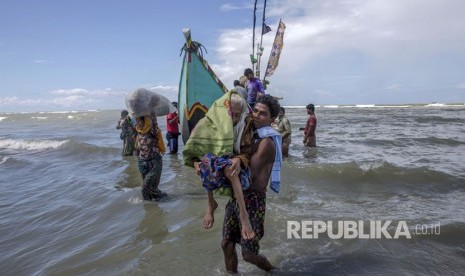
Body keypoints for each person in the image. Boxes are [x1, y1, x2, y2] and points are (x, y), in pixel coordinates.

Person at [222, 94, 282, 273]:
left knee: (248, 254)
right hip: (237, 196)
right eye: (254, 110)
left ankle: (272, 270)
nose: (256, 115)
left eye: (262, 113)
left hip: (253, 201)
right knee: (226, 244)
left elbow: (247, 176)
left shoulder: (266, 143)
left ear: (272, 119)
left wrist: (228, 164)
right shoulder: (247, 135)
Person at [183, 91, 256, 240]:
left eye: (237, 115)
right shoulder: (208, 122)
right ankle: (211, 204)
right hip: (215, 161)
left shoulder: (245, 123)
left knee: (230, 169)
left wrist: (239, 159)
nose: (234, 119)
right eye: (232, 114)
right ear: (224, 112)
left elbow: (248, 150)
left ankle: (244, 216)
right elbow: (195, 150)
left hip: (233, 165)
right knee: (205, 163)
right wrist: (196, 162)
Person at [134, 111, 166, 201]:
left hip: (154, 162)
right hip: (142, 163)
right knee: (149, 189)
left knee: (145, 187)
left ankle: (150, 206)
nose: (137, 123)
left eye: (139, 121)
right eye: (136, 121)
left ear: (145, 121)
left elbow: (154, 122)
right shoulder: (139, 132)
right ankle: (154, 204)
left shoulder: (152, 131)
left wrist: (152, 109)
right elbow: (137, 148)